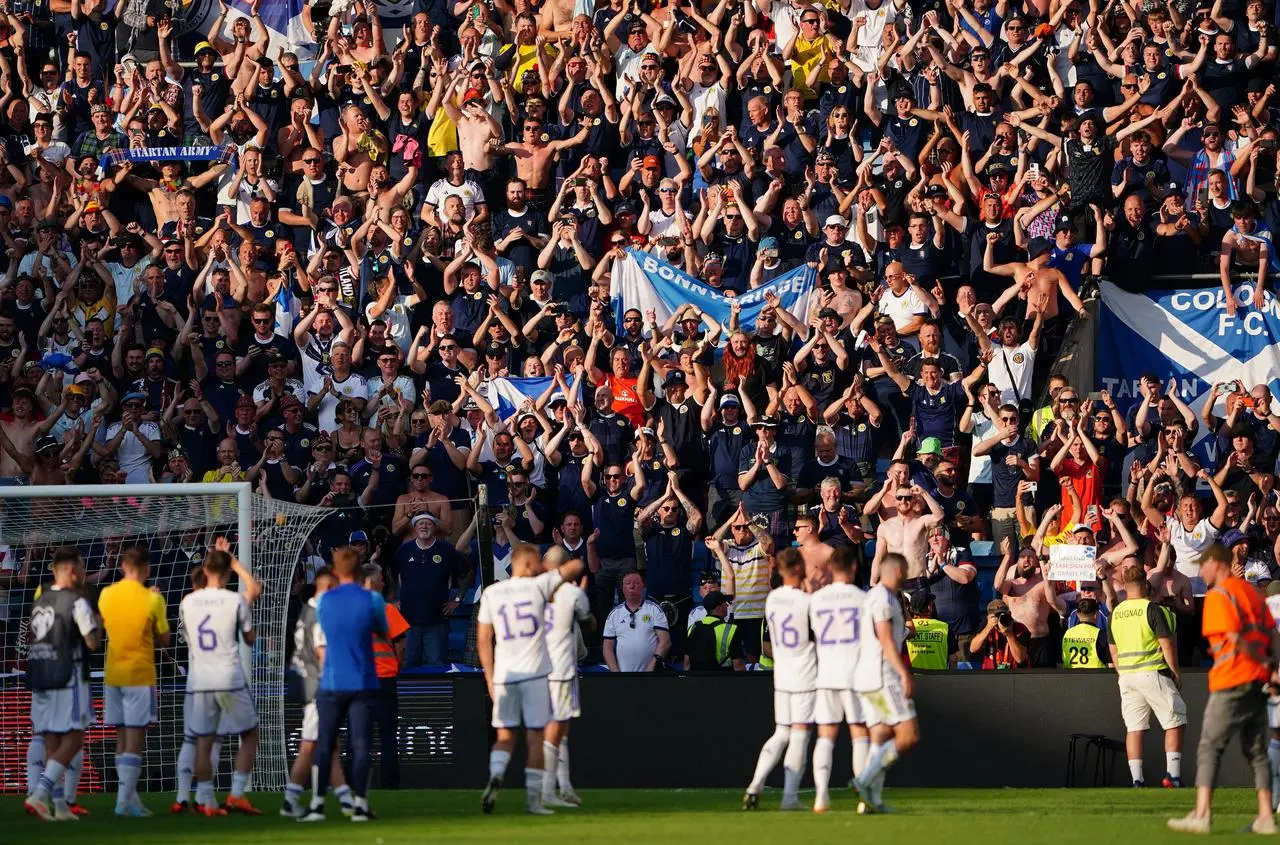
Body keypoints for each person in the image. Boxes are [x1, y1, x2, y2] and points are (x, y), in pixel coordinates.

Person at [1169, 544, 1280, 834]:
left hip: (1231, 680)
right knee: (1257, 751)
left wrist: (1261, 660)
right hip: (1258, 681)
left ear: (1216, 564)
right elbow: (1272, 632)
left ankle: (1202, 814)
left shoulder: (1219, 595)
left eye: (1203, 565)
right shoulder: (1252, 594)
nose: (1200, 571)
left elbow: (1232, 638)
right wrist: (1272, 667)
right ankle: (1266, 817)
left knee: (1209, 746)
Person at [477, 544, 585, 815]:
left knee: (504, 735)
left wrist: (489, 678)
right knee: (536, 736)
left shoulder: (491, 592)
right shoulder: (538, 586)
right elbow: (577, 565)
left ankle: (496, 773)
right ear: (527, 564)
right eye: (536, 560)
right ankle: (535, 800)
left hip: (504, 675)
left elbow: (483, 639)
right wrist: (551, 572)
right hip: (536, 674)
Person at [300, 546, 388, 823]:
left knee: (325, 744)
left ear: (336, 570)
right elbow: (382, 630)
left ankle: (316, 805)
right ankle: (360, 805)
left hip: (332, 681)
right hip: (363, 679)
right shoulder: (372, 599)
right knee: (361, 745)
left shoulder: (325, 600)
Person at [178, 536, 263, 816]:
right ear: (226, 572)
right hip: (229, 677)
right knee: (250, 734)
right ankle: (236, 794)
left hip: (200, 679)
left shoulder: (187, 602)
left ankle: (206, 801)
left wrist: (221, 559)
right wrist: (236, 563)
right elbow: (250, 638)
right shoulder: (234, 601)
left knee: (203, 740)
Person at [23, 547, 100, 822]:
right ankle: (40, 792)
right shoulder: (76, 602)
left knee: (51, 739)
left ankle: (58, 805)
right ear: (69, 570)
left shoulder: (40, 601)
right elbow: (92, 642)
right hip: (69, 676)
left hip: (41, 676)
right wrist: (98, 623)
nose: (82, 572)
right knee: (75, 737)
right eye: (80, 567)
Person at [97, 545, 170, 817]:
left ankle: (129, 797)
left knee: (121, 737)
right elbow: (165, 641)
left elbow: (103, 626)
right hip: (139, 674)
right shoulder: (152, 599)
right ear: (147, 569)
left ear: (121, 567)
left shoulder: (106, 594)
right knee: (135, 740)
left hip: (112, 674)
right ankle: (124, 802)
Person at [744, 548, 814, 811]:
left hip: (781, 674)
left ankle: (755, 785)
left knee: (781, 733)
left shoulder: (772, 600)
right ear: (797, 569)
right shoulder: (807, 601)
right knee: (800, 736)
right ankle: (790, 797)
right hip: (804, 674)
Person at [282, 569, 354, 819]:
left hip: (307, 683)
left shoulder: (308, 611)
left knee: (329, 744)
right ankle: (292, 800)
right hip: (319, 688)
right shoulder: (322, 614)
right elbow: (323, 654)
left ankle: (345, 798)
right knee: (310, 745)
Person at [853, 553, 920, 814]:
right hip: (884, 676)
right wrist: (903, 672)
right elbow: (885, 638)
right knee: (908, 734)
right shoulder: (882, 598)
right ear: (896, 571)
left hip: (867, 675)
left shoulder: (873, 597)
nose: (906, 576)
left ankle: (871, 801)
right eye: (904, 570)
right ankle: (863, 781)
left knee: (880, 736)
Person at [1109, 563, 1185, 789]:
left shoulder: (1115, 613)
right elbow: (1167, 645)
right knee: (1175, 721)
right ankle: (1173, 776)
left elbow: (1113, 650)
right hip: (1152, 672)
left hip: (1128, 676)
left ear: (1124, 585)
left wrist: (1122, 672)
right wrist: (1175, 672)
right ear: (1146, 584)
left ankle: (1137, 780)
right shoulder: (1152, 609)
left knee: (1134, 728)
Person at [809, 545, 868, 813]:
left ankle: (821, 795)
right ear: (854, 568)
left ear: (831, 568)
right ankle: (864, 798)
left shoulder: (817, 599)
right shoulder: (862, 599)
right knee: (859, 735)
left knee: (825, 737)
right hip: (854, 673)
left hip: (826, 673)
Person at [542, 561, 593, 809]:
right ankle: (551, 788)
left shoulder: (534, 602)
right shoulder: (569, 604)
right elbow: (582, 650)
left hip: (537, 674)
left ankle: (562, 786)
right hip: (561, 673)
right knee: (558, 732)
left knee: (551, 732)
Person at [363, 564, 410, 792]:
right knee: (388, 735)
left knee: (360, 736)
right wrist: (396, 666)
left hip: (360, 681)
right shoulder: (387, 610)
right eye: (381, 578)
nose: (384, 582)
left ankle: (356, 786)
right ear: (373, 582)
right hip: (384, 679)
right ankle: (391, 786)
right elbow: (400, 645)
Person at [603, 571, 671, 672]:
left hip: (650, 675)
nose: (632, 586)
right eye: (628, 583)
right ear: (623, 588)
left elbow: (665, 642)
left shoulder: (655, 609)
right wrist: (615, 672)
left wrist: (652, 665)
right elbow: (607, 647)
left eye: (636, 583)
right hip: (623, 676)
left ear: (643, 586)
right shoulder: (614, 614)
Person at [685, 591, 746, 671]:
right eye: (725, 603)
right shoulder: (731, 630)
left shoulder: (693, 627)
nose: (727, 605)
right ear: (719, 608)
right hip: (723, 679)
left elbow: (686, 664)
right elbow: (738, 666)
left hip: (697, 680)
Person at [1061, 597, 1109, 670]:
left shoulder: (1068, 633)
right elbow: (1109, 659)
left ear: (1077, 614)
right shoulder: (1100, 634)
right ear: (1096, 614)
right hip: (1096, 678)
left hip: (1070, 677)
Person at [906, 593, 950, 671]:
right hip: (938, 679)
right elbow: (953, 658)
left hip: (912, 678)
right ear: (929, 608)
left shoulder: (905, 628)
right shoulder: (944, 627)